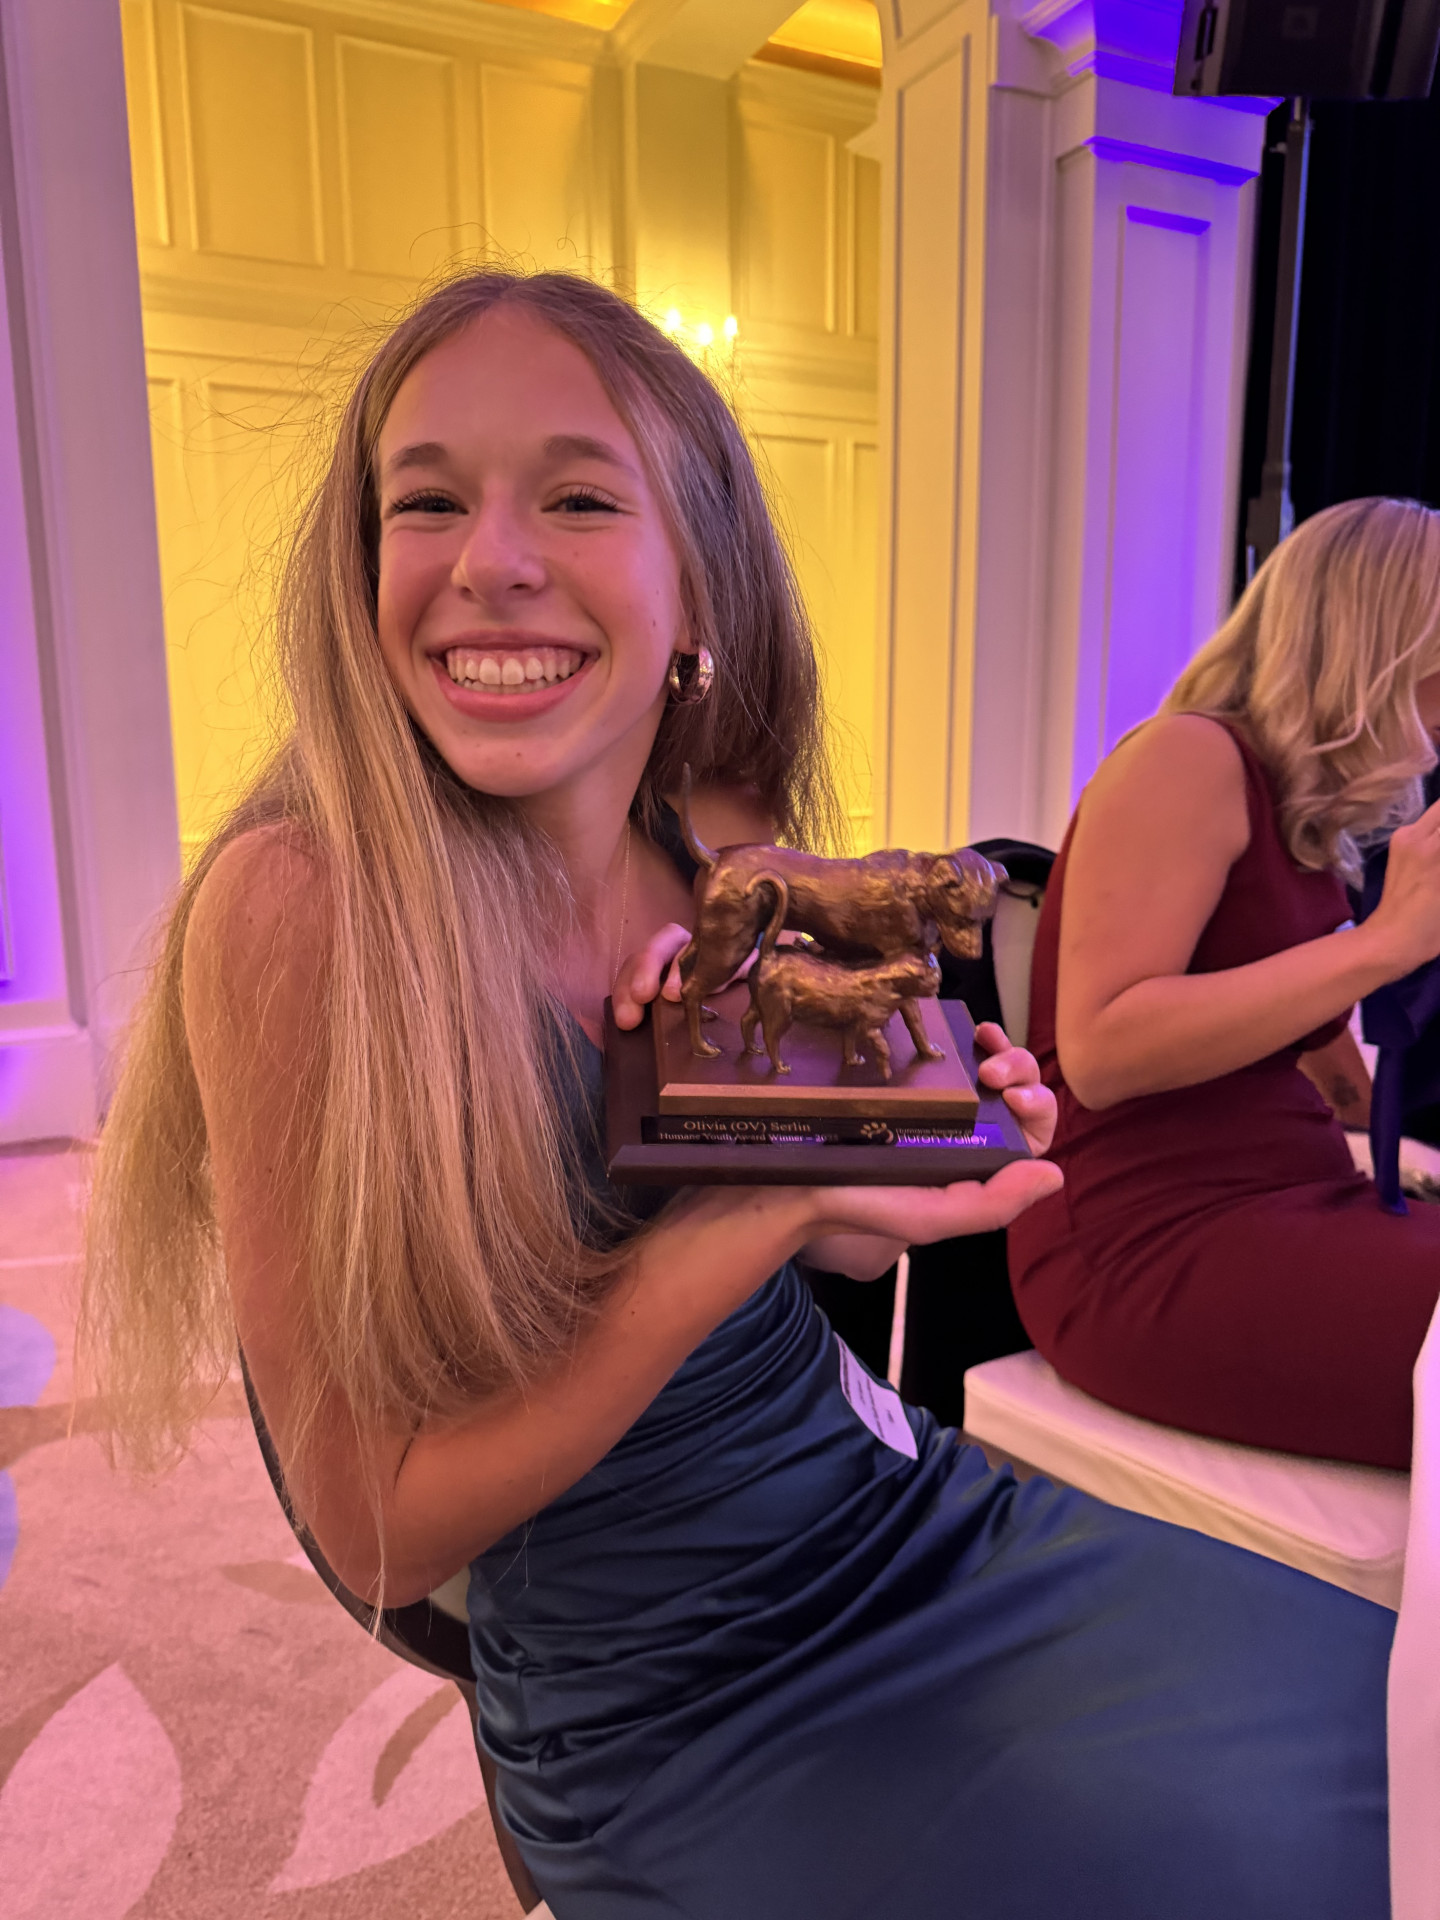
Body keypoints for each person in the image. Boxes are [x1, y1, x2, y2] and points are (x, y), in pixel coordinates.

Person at [82, 272, 1393, 1918]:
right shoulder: (307, 911)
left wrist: (900, 1152)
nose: (492, 558)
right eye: (427, 501)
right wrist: (744, 1216)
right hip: (671, 1689)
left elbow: (841, 1255)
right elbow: (381, 1537)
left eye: (577, 497)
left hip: (898, 1508)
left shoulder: (700, 856)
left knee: (1385, 1735)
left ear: (695, 587)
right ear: (360, 570)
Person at [1010, 496, 1440, 1473]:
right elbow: (1103, 1050)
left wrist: (1397, 1155)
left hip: (1291, 1195)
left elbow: (1309, 1039)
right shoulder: (1189, 756)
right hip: (1144, 1237)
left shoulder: (1296, 813)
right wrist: (1383, 945)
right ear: (1380, 649)